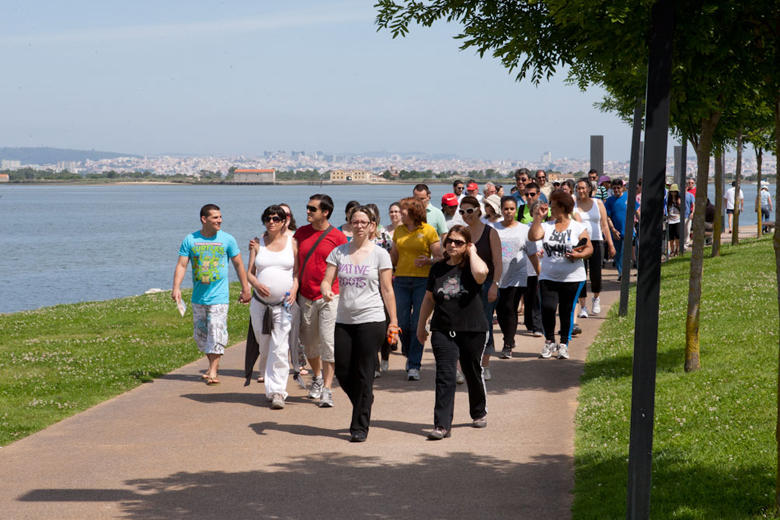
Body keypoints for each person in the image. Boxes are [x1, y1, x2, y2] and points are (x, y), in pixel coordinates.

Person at [321, 205, 398, 442]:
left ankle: (359, 426)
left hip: (371, 319)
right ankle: (365, 400)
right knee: (343, 370)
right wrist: (326, 291)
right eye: (355, 221)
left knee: (364, 373)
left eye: (364, 222)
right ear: (349, 224)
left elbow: (387, 289)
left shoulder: (380, 254)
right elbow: (327, 280)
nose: (359, 226)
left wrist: (393, 321)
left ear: (372, 225)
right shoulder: (339, 252)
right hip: (344, 319)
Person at [416, 225, 490, 440]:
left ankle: (478, 411)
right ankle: (442, 425)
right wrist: (422, 327)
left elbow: (482, 273)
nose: (452, 245)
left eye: (458, 242)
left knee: (472, 370)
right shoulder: (437, 268)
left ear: (466, 245)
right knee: (445, 375)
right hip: (443, 329)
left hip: (472, 329)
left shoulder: (473, 265)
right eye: (449, 241)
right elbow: (429, 299)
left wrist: (473, 252)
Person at [171, 204, 252, 385]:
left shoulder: (227, 239)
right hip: (198, 297)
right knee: (201, 336)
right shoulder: (190, 240)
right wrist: (176, 287)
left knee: (216, 332)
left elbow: (238, 264)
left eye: (220, 217)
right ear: (204, 219)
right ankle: (211, 364)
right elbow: (182, 265)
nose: (220, 220)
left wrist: (245, 287)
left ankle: (214, 370)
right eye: (215, 217)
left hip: (219, 297)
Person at [294, 194, 348, 408]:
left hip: (330, 297)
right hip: (306, 296)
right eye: (307, 208)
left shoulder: (337, 237)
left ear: (325, 212)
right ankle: (317, 376)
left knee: (328, 343)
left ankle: (327, 389)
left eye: (312, 209)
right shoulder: (300, 234)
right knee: (309, 345)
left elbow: (345, 268)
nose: (307, 212)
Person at [528, 191, 593, 360]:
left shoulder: (577, 227)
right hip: (548, 276)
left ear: (562, 207)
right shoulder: (547, 226)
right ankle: (549, 341)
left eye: (553, 205)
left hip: (572, 277)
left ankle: (564, 344)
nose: (549, 208)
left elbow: (589, 248)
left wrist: (577, 256)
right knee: (548, 308)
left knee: (566, 310)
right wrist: (538, 218)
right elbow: (533, 236)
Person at [247, 205, 298, 409]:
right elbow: (250, 272)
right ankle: (270, 385)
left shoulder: (293, 243)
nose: (272, 222)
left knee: (280, 346)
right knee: (265, 345)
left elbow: (296, 273)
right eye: (268, 218)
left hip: (283, 304)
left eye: (276, 218)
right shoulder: (257, 243)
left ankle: (278, 391)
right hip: (260, 304)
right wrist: (257, 284)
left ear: (284, 221)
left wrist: (294, 290)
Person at [390, 197, 442, 380]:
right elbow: (393, 256)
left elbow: (439, 256)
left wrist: (428, 260)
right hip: (401, 280)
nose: (400, 214)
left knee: (417, 323)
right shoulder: (399, 230)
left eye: (403, 211)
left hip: (423, 281)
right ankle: (408, 349)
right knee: (402, 322)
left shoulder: (428, 230)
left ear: (413, 213)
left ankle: (414, 365)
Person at [458, 196, 502, 381]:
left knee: (484, 325)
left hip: (486, 284)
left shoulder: (490, 233)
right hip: (464, 285)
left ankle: (484, 365)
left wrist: (495, 285)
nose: (466, 215)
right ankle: (462, 367)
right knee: (462, 326)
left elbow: (498, 262)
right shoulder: (461, 234)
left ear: (478, 210)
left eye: (469, 211)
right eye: (462, 212)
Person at [493, 196, 538, 359]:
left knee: (510, 308)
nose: (509, 212)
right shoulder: (494, 228)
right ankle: (509, 337)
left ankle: (507, 343)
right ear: (501, 210)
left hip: (518, 275)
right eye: (506, 209)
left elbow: (532, 253)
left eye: (512, 209)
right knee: (501, 310)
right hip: (498, 275)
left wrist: (539, 272)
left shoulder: (523, 229)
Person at [574, 178, 615, 317]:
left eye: (583, 188)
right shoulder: (573, 204)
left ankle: (596, 298)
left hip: (597, 241)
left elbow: (604, 225)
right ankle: (583, 306)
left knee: (596, 274)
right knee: (581, 275)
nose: (581, 191)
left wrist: (610, 244)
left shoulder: (598, 203)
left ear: (589, 189)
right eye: (578, 188)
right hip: (580, 243)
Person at [604, 179, 636, 280]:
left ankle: (624, 272)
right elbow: (607, 217)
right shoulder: (609, 201)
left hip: (629, 231)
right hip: (616, 232)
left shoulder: (629, 198)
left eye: (618, 188)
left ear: (623, 188)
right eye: (614, 188)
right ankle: (621, 272)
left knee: (626, 252)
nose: (616, 190)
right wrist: (613, 230)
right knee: (618, 254)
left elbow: (637, 211)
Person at [666, 184, 682, 257]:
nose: (673, 193)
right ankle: (672, 250)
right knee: (671, 237)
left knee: (677, 236)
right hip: (670, 220)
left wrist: (678, 204)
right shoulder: (668, 199)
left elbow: (682, 209)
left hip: (677, 220)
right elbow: (666, 208)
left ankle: (677, 250)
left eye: (674, 192)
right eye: (672, 192)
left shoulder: (679, 199)